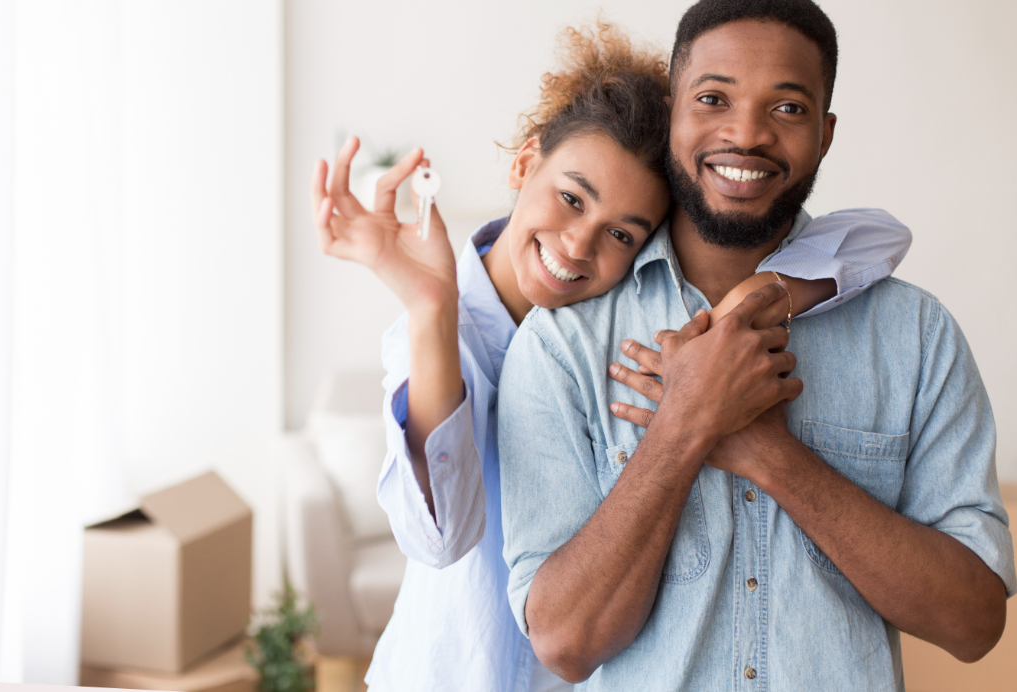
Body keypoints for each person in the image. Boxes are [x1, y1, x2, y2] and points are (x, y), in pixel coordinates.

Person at [312, 21, 912, 692]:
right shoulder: (440, 333)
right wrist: (429, 307)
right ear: (522, 163)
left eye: (620, 233)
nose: (575, 246)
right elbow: (438, 539)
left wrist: (750, 297)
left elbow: (878, 237)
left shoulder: (621, 326)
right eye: (570, 198)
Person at [497, 2, 1016, 691]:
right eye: (713, 98)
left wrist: (768, 453)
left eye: (788, 109)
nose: (745, 134)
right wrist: (685, 422)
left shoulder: (914, 335)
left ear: (825, 134)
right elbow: (564, 643)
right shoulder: (563, 342)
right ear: (671, 109)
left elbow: (973, 624)